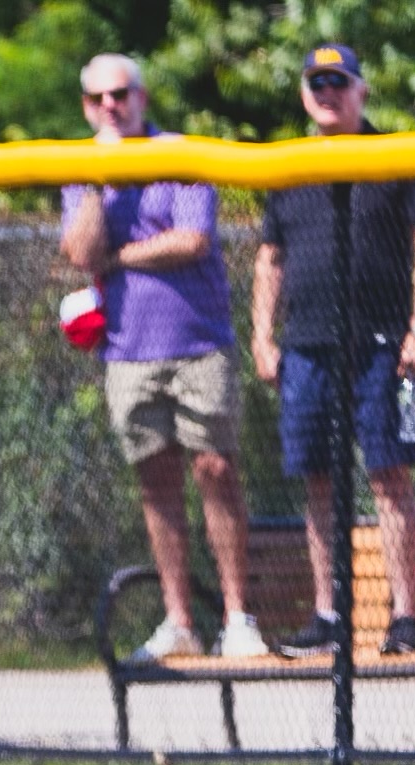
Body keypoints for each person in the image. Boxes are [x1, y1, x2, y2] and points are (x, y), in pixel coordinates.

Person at [59, 53, 265, 663]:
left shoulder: (179, 153)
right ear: (86, 107)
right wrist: (99, 182)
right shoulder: (80, 169)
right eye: (98, 99)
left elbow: (191, 239)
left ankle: (236, 618)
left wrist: (119, 259)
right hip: (127, 351)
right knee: (156, 482)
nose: (110, 107)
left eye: (120, 94)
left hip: (199, 341)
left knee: (216, 472)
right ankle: (179, 621)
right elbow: (80, 251)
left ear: (142, 97)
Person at [252, 43, 415, 657]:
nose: (326, 93)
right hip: (307, 345)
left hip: (382, 343)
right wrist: (262, 335)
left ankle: (404, 617)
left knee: (389, 475)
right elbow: (270, 258)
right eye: (316, 83)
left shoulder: (395, 157)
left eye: (338, 82)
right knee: (318, 478)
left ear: (361, 91)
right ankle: (329, 613)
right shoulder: (291, 165)